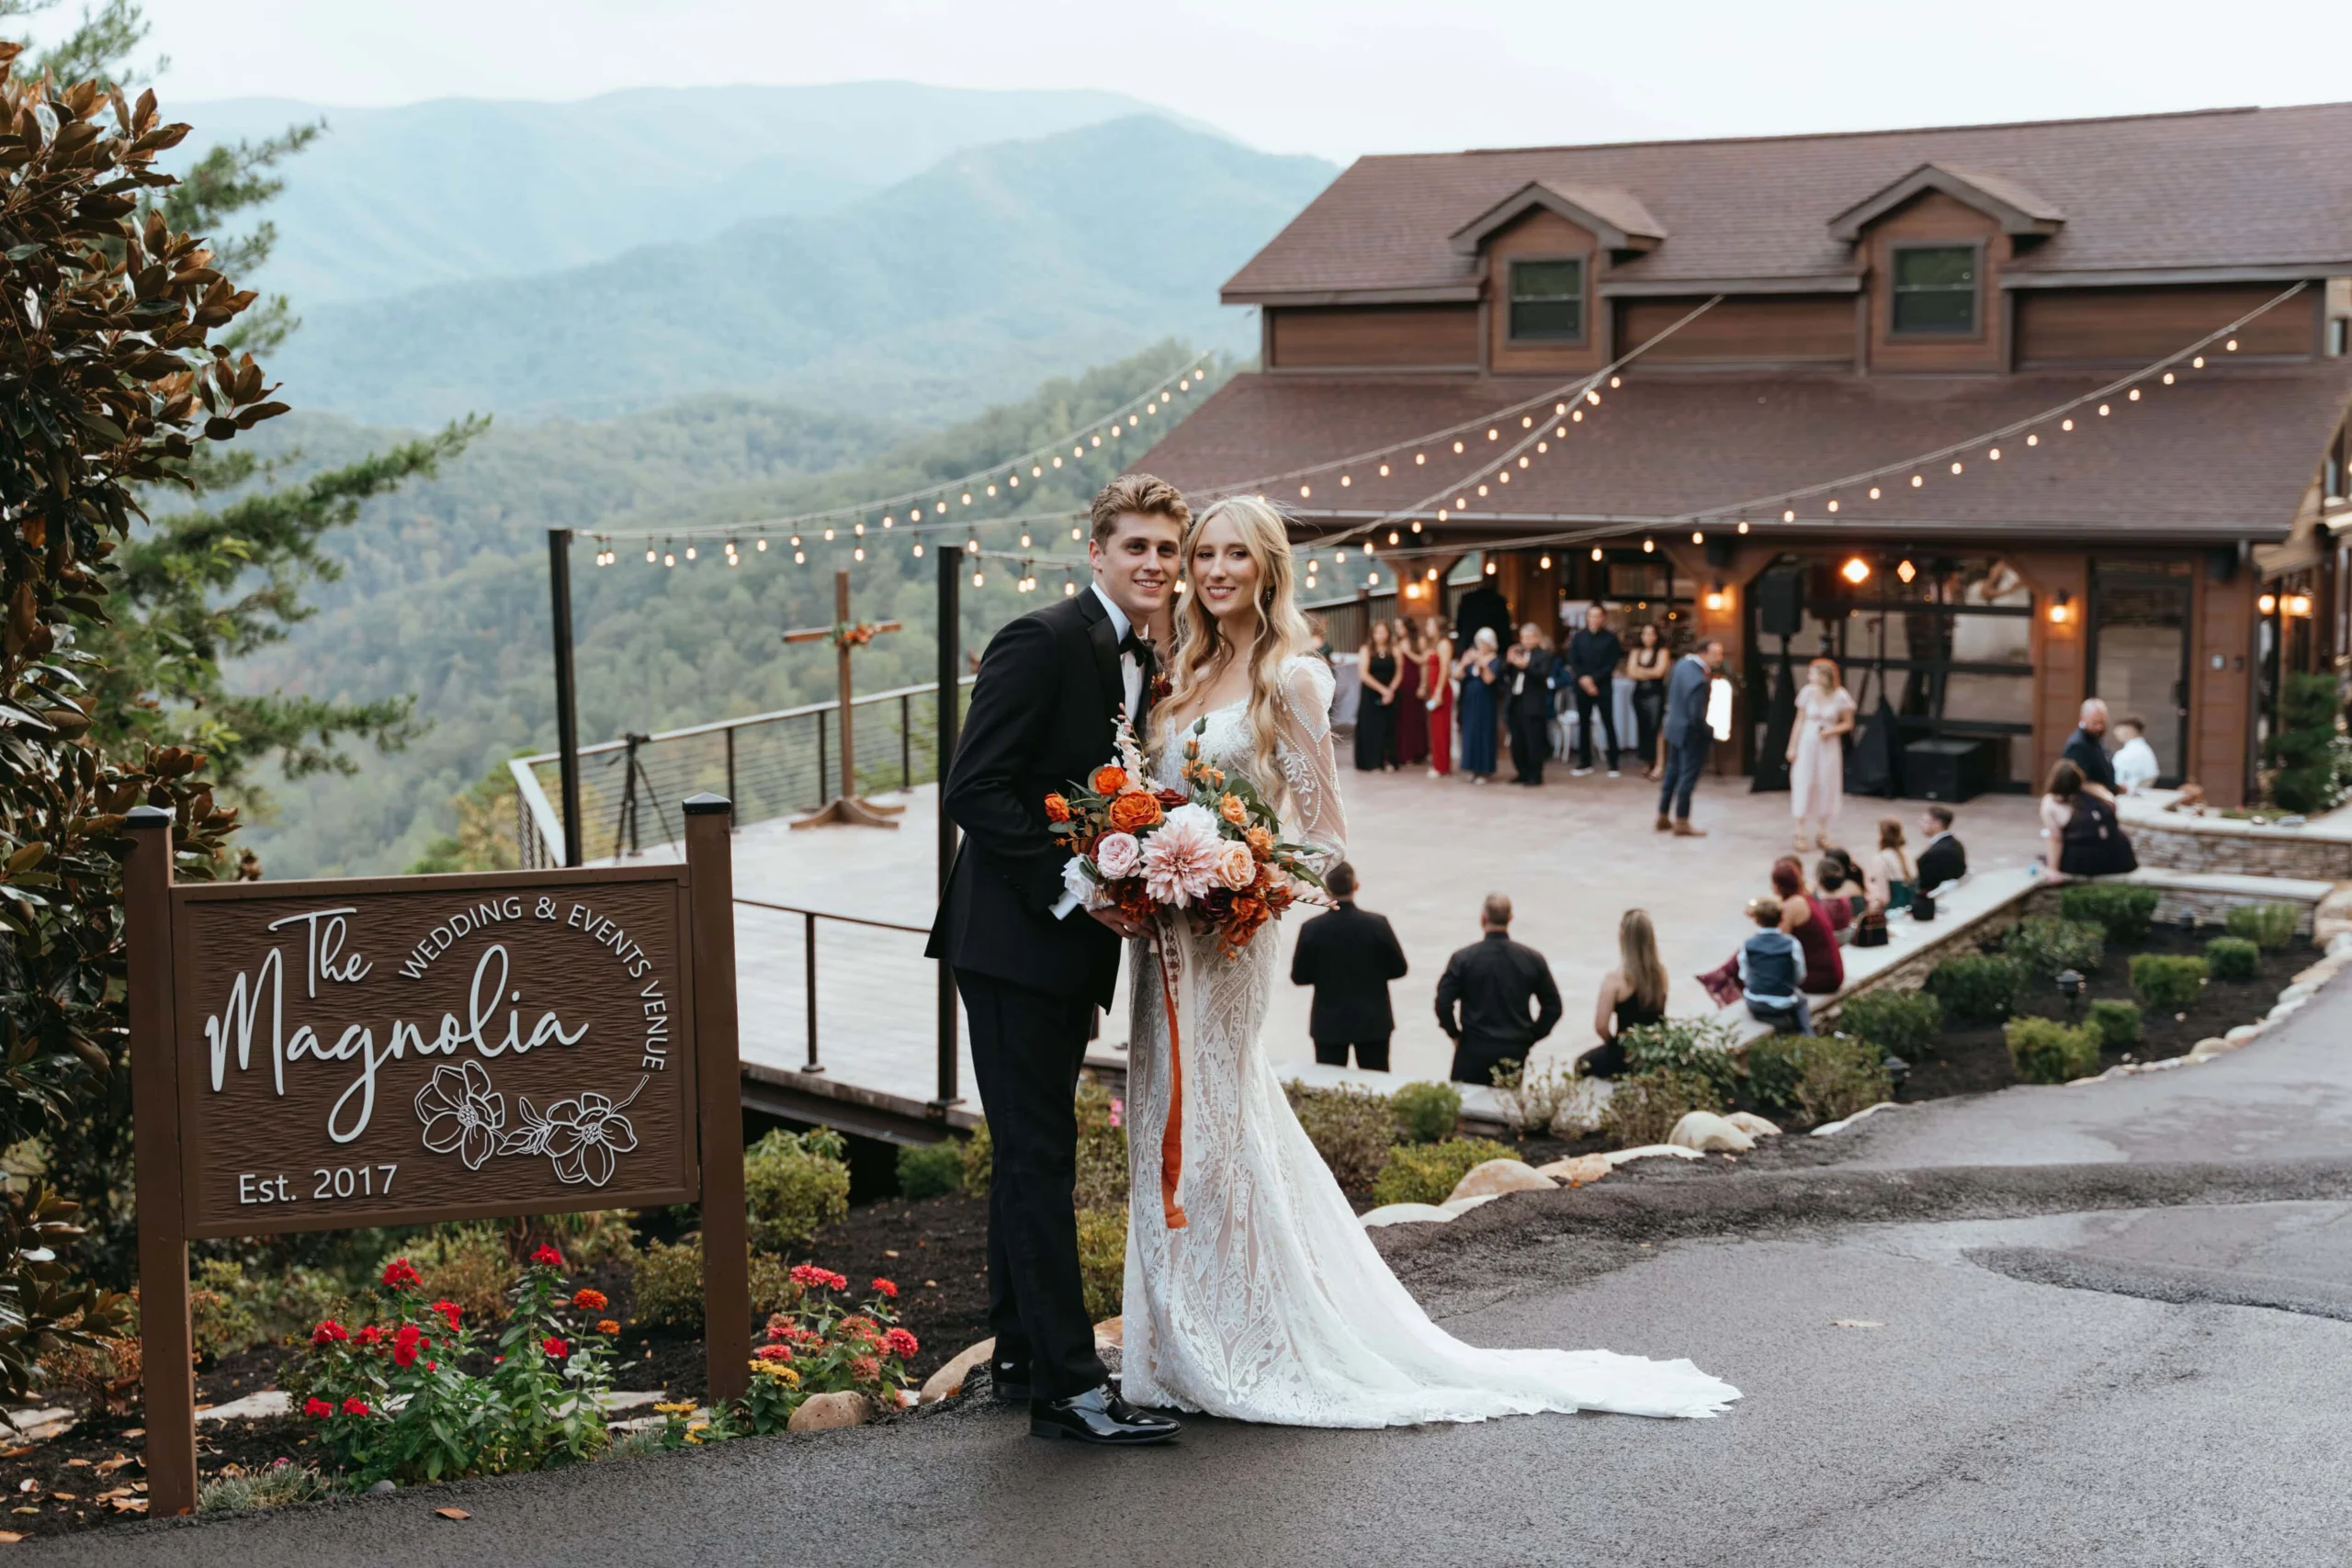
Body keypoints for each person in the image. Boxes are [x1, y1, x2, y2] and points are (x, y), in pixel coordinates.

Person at [1116, 492, 1735, 1427]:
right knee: (1163, 1118)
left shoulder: (1291, 679)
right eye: (1203, 554)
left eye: (1235, 556)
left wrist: (1237, 885)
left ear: (1269, 567)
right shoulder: (1180, 666)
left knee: (1216, 1128)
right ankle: (1172, 1338)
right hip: (1159, 936)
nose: (1214, 571)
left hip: (1229, 935)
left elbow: (1322, 839)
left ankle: (1245, 1338)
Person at [928, 472, 1188, 1446]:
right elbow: (974, 787)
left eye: (1167, 550)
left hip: (1060, 952)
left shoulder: (1138, 656)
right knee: (1040, 1159)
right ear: (1096, 552)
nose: (1155, 565)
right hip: (1009, 944)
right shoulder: (1041, 639)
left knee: (1028, 1155)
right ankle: (1071, 1393)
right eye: (1137, 548)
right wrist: (1081, 887)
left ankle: (1020, 1355)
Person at [1435, 893, 1565, 1088]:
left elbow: (1443, 1004)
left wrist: (1454, 1034)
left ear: (1483, 919)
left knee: (1463, 1108)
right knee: (1506, 1110)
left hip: (1473, 1047)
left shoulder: (1463, 959)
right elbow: (1553, 1007)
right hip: (1513, 1050)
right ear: (1510, 918)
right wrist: (1531, 1036)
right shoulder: (1533, 958)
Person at [1289, 861, 1408, 1071]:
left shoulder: (1311, 929)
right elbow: (1399, 968)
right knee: (1375, 1086)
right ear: (1356, 886)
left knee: (1329, 1089)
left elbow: (1299, 977)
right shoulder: (1378, 924)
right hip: (1373, 1021)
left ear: (1326, 890)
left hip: (1329, 1023)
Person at [1583, 908, 1668, 1079]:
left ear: (1622, 935)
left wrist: (1614, 1044)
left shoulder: (1615, 980)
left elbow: (1600, 1026)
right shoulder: (1661, 974)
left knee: (1581, 1064)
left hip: (1626, 1052)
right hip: (1656, 1050)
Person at [1786, 657, 1855, 852]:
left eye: (1812, 673)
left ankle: (1822, 832)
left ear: (1823, 676)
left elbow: (1848, 723)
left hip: (1828, 745)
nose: (1809, 676)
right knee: (1804, 782)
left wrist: (1831, 731)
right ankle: (1799, 832)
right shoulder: (1807, 693)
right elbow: (1799, 720)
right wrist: (1792, 746)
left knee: (1826, 783)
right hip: (1807, 742)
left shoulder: (1840, 695)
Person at [1656, 637, 1724, 837]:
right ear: (1703, 653)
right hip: (1690, 733)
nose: (1720, 658)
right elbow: (1696, 715)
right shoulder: (1700, 680)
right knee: (1687, 777)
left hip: (1674, 727)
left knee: (1672, 772)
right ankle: (1682, 821)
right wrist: (1709, 732)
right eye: (1716, 653)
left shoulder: (1681, 665)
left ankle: (1662, 815)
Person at [2043, 759, 2138, 878]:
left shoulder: (2052, 802)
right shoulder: (2099, 791)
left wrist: (2053, 870)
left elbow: (2055, 838)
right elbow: (2113, 812)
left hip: (2082, 862)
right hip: (2120, 858)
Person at [1565, 604, 1624, 777]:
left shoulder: (1611, 638)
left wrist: (1594, 680)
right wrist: (1584, 679)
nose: (1594, 619)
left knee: (1608, 723)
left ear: (1603, 618)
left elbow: (1611, 663)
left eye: (1598, 616)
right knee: (1584, 724)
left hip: (1603, 686)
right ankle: (1585, 762)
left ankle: (1613, 764)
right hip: (1582, 686)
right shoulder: (1578, 637)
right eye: (1591, 615)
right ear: (1587, 617)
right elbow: (1573, 661)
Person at [1739, 897, 1811, 1035]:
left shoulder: (1748, 944)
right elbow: (1800, 974)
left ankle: (1776, 1021)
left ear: (1757, 920)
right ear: (1782, 918)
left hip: (1756, 1001)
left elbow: (1744, 974)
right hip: (1784, 1001)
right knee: (1801, 1001)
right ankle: (1807, 1033)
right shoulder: (1792, 943)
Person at [1771, 857, 1843, 994]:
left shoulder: (1791, 906)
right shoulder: (1804, 897)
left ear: (1778, 886)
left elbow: (1778, 944)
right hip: (1832, 972)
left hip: (1821, 978)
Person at [1503, 623, 1556, 786]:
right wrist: (1508, 661)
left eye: (1528, 637)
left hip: (1533, 703)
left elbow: (1542, 675)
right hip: (1516, 701)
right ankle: (1522, 772)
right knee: (1517, 740)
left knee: (1533, 740)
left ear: (1537, 638)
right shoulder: (1519, 653)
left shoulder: (1543, 656)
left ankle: (1535, 775)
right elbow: (1505, 674)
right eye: (1523, 637)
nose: (1525, 641)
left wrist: (1526, 666)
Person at [1454, 626, 1501, 783]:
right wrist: (1464, 662)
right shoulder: (1471, 658)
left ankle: (1484, 770)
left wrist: (1481, 662)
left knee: (1484, 732)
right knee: (1470, 731)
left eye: (1484, 643)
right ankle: (1472, 767)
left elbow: (1489, 679)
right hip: (1470, 701)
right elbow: (1456, 675)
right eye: (1479, 643)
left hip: (1485, 701)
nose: (1481, 647)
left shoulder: (1495, 659)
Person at [1353, 618, 1399, 773]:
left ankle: (1388, 760)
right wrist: (1382, 690)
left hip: (1390, 692)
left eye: (1384, 632)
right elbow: (1364, 674)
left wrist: (1391, 690)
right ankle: (1372, 762)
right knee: (1371, 727)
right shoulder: (1366, 649)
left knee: (1389, 727)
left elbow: (1399, 671)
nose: (1381, 635)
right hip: (1371, 692)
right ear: (1373, 634)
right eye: (1378, 632)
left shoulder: (1394, 649)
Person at [1626, 622, 1671, 780]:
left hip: (1655, 694)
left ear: (1657, 636)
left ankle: (1659, 765)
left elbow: (1659, 672)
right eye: (1645, 633)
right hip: (1639, 694)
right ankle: (1647, 761)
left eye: (1651, 633)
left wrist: (1641, 671)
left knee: (1656, 729)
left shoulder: (1663, 651)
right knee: (1643, 728)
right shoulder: (1636, 651)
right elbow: (1630, 672)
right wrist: (1648, 672)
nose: (1648, 637)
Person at [1391, 620, 1428, 767]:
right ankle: (1403, 753)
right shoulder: (1394, 641)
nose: (1398, 629)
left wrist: (1423, 685)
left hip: (1414, 680)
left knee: (1416, 717)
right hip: (1400, 682)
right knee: (1401, 718)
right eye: (1396, 627)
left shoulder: (1419, 640)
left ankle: (1418, 752)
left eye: (1401, 626)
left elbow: (1423, 662)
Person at [1421, 615, 1454, 778]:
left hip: (1441, 689)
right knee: (1435, 728)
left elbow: (1445, 669)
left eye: (1429, 624)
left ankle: (1442, 766)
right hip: (1434, 688)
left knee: (1441, 728)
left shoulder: (1444, 644)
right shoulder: (1433, 644)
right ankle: (1438, 762)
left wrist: (1439, 691)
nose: (1427, 628)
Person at [2063, 698, 2116, 793]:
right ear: (2083, 719)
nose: (2099, 727)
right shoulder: (2077, 746)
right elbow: (2079, 783)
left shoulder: (2096, 739)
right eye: (2095, 723)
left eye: (2102, 723)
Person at [1454, 575, 1512, 660]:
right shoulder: (1498, 600)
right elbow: (1505, 624)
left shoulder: (1468, 599)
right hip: (1494, 644)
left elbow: (1459, 623)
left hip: (1469, 641)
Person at [1916, 805, 1966, 897]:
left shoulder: (1936, 853)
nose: (1920, 824)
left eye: (1925, 821)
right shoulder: (1956, 843)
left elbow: (1923, 882)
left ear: (1937, 824)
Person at [1871, 818, 1917, 913]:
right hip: (1912, 908)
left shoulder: (1881, 859)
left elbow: (1884, 898)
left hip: (1894, 912)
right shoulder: (1908, 855)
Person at [2110, 716, 2161, 795]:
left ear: (2128, 730)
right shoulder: (2146, 751)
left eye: (2118, 729)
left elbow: (2116, 782)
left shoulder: (2125, 754)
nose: (2115, 732)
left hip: (2125, 797)